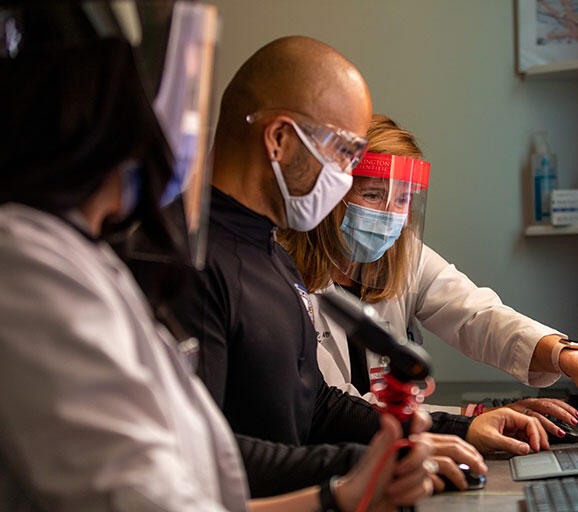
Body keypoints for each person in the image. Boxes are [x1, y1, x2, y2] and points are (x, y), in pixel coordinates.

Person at [0, 3, 433, 511]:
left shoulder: (100, 261)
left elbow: (207, 463)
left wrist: (352, 483)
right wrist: (339, 484)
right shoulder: (39, 264)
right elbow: (153, 492)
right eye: (345, 153)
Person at [143, 35, 558, 495]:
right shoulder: (192, 266)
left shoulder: (271, 258)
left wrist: (443, 435)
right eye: (344, 152)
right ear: (280, 139)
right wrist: (361, 472)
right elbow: (202, 454)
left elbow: (316, 407)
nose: (343, 178)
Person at [279, 114, 578, 429]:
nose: (390, 215)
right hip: (332, 461)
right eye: (373, 195)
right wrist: (470, 422)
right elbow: (334, 409)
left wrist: (570, 359)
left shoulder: (403, 257)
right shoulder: (284, 274)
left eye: (403, 199)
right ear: (333, 193)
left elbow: (477, 317)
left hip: (393, 449)